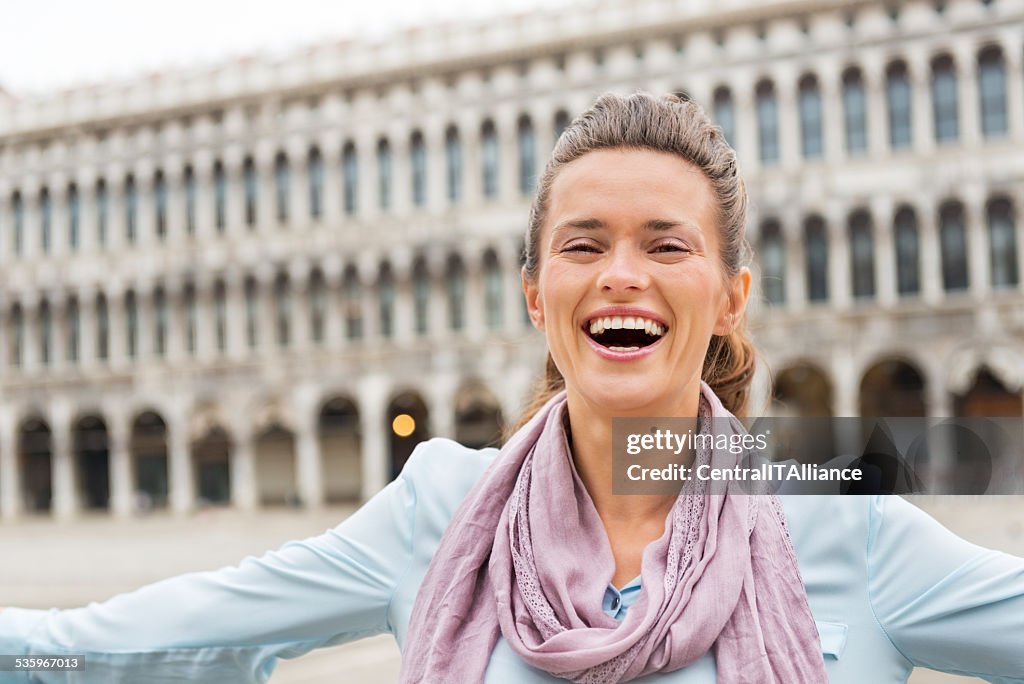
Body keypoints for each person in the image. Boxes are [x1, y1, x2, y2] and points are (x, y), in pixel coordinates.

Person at [2, 92, 1023, 683]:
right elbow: (121, 644)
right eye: (583, 245)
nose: (622, 272)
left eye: (667, 245)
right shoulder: (439, 510)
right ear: (538, 296)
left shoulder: (843, 525)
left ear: (729, 297)